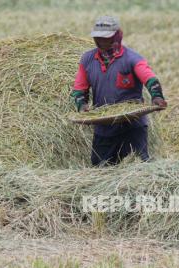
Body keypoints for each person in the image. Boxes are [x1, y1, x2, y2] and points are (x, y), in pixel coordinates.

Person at [71, 15, 167, 166]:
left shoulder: (132, 59)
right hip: (104, 130)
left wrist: (157, 96)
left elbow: (150, 79)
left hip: (132, 127)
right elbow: (78, 90)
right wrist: (82, 106)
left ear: (117, 36)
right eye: (99, 38)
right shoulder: (87, 60)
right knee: (100, 171)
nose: (102, 42)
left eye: (106, 38)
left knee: (137, 168)